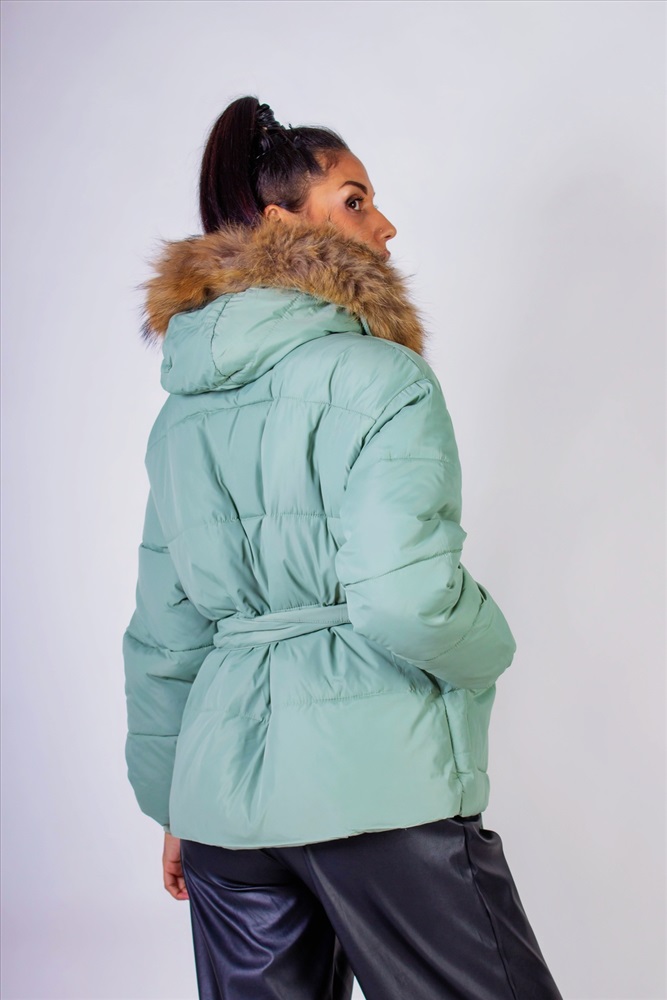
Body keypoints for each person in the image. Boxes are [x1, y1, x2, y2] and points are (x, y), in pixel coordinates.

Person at [123, 95, 564, 1000]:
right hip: (377, 785)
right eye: (355, 200)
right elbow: (405, 597)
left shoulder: (180, 415)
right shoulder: (383, 376)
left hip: (221, 808)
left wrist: (175, 801)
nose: (384, 225)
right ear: (282, 223)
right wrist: (492, 648)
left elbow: (164, 634)